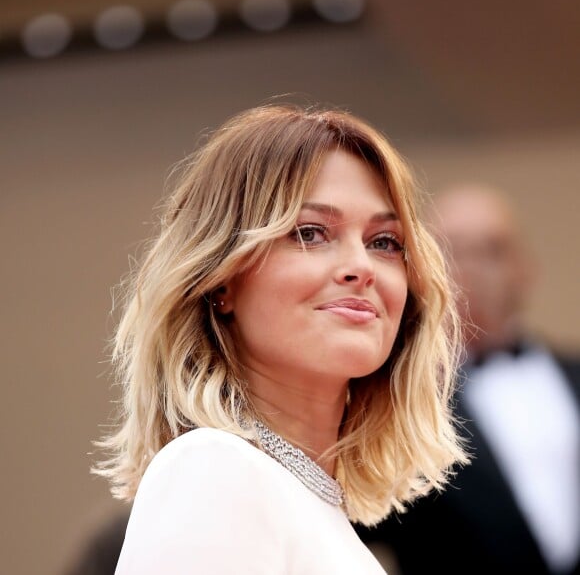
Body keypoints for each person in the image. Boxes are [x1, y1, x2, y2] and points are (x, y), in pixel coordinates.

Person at [95, 103, 467, 574]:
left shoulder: (309, 503)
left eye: (384, 242)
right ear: (221, 280)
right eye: (310, 233)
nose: (361, 267)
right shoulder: (212, 471)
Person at [355, 183, 580, 575]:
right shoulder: (393, 398)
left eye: (492, 249)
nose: (471, 267)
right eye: (451, 250)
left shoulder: (573, 376)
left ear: (525, 267)